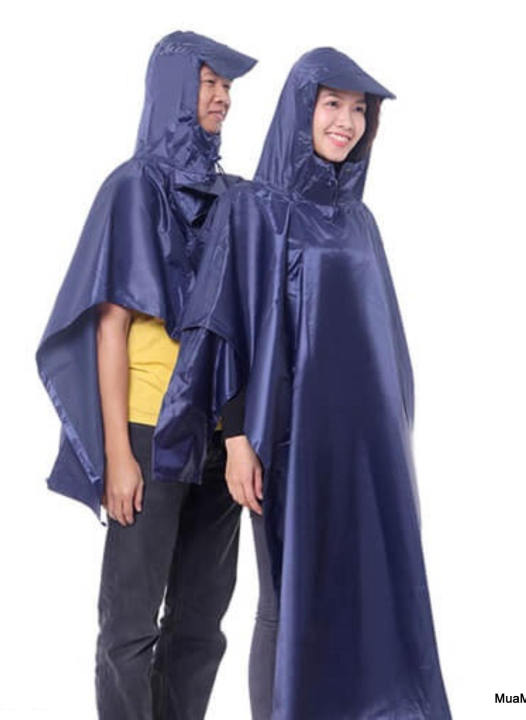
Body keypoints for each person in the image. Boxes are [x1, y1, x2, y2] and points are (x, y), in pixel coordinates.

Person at [152, 47, 452, 719]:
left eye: (359, 110)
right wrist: (238, 438)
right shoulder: (254, 208)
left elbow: (381, 341)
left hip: (368, 444)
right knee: (284, 596)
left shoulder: (360, 221)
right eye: (332, 104)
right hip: (286, 438)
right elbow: (223, 323)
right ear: (301, 109)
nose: (347, 122)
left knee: (363, 588)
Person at [35, 31, 256, 720]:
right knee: (130, 627)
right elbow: (110, 328)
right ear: (174, 90)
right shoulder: (133, 187)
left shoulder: (233, 197)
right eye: (209, 83)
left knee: (201, 624)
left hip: (217, 435)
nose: (222, 97)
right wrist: (118, 455)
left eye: (226, 87)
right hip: (148, 431)